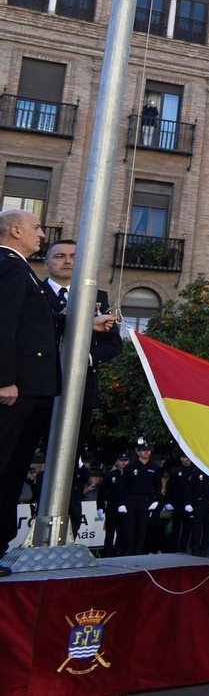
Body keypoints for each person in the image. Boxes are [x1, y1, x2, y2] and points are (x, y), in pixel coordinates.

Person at [0, 208, 58, 569]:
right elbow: (3, 323)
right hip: (16, 388)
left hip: (29, 387)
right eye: (35, 227)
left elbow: (30, 320)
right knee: (5, 465)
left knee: (14, 465)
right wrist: (4, 379)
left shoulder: (19, 267)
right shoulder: (8, 264)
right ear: (16, 230)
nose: (41, 233)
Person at [41, 239, 125, 441]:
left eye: (74, 257)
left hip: (82, 388)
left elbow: (113, 343)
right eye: (60, 256)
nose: (67, 261)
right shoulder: (34, 294)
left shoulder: (98, 297)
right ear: (46, 263)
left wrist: (85, 358)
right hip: (39, 385)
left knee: (73, 450)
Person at [100, 453, 129, 555]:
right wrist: (100, 506)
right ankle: (107, 552)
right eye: (121, 460)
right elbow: (102, 492)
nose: (123, 463)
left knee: (122, 532)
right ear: (117, 462)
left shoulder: (130, 475)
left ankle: (119, 551)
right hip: (112, 507)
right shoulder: (110, 475)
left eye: (125, 460)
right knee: (110, 532)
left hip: (126, 508)